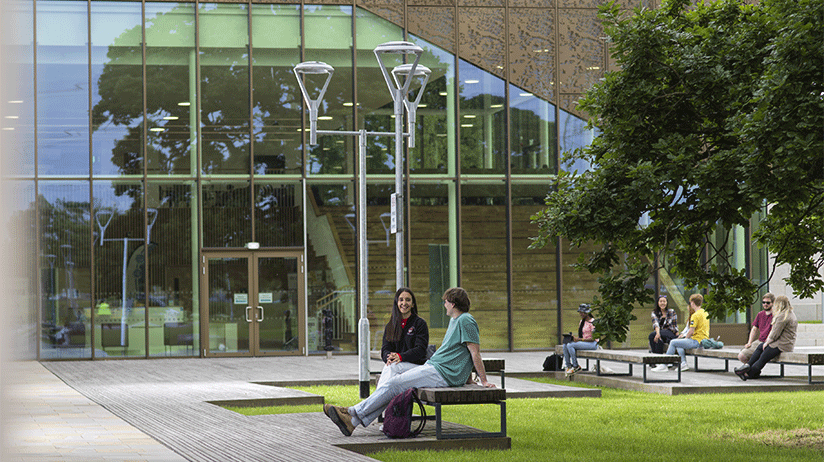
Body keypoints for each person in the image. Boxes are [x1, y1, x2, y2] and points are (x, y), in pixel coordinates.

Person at [323, 287, 495, 436]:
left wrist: (484, 381)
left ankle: (353, 413)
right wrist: (468, 377)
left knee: (395, 384)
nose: (444, 304)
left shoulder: (466, 320)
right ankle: (354, 420)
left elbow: (475, 352)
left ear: (453, 303)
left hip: (441, 372)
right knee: (392, 369)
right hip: (435, 367)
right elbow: (459, 353)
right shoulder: (455, 320)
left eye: (446, 301)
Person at [735, 295, 797, 380]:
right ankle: (747, 366)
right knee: (760, 347)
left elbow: (775, 333)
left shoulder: (782, 316)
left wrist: (767, 343)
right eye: (763, 302)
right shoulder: (789, 313)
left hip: (782, 344)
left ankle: (747, 374)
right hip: (784, 343)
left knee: (763, 357)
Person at [377, 287, 429, 386]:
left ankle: (374, 399)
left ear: (413, 304)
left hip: (416, 366)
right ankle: (382, 400)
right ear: (397, 303)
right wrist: (389, 358)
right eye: (401, 300)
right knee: (391, 369)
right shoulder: (391, 325)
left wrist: (401, 357)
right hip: (396, 365)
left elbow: (420, 350)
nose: (404, 303)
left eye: (408, 300)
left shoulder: (420, 323)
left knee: (392, 368)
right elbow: (385, 349)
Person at [653, 293, 709, 372]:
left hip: (696, 341)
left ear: (692, 303)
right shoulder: (705, 312)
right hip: (704, 340)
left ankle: (664, 365)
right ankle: (683, 363)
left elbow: (691, 331)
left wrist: (686, 338)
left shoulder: (695, 315)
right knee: (679, 343)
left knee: (673, 342)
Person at [563, 304, 599, 377]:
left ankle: (576, 366)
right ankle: (568, 366)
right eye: (580, 312)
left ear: (587, 313)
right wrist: (573, 338)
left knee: (570, 345)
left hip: (593, 344)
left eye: (582, 312)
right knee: (565, 345)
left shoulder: (593, 322)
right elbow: (581, 336)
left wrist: (579, 339)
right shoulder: (582, 322)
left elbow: (593, 339)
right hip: (584, 342)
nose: (580, 314)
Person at [737, 293, 774, 363]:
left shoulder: (776, 315)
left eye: (768, 303)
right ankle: (750, 371)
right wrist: (749, 342)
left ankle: (750, 372)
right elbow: (754, 329)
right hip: (759, 341)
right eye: (763, 302)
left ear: (773, 303)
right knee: (741, 356)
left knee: (757, 357)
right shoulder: (760, 314)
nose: (765, 304)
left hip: (769, 343)